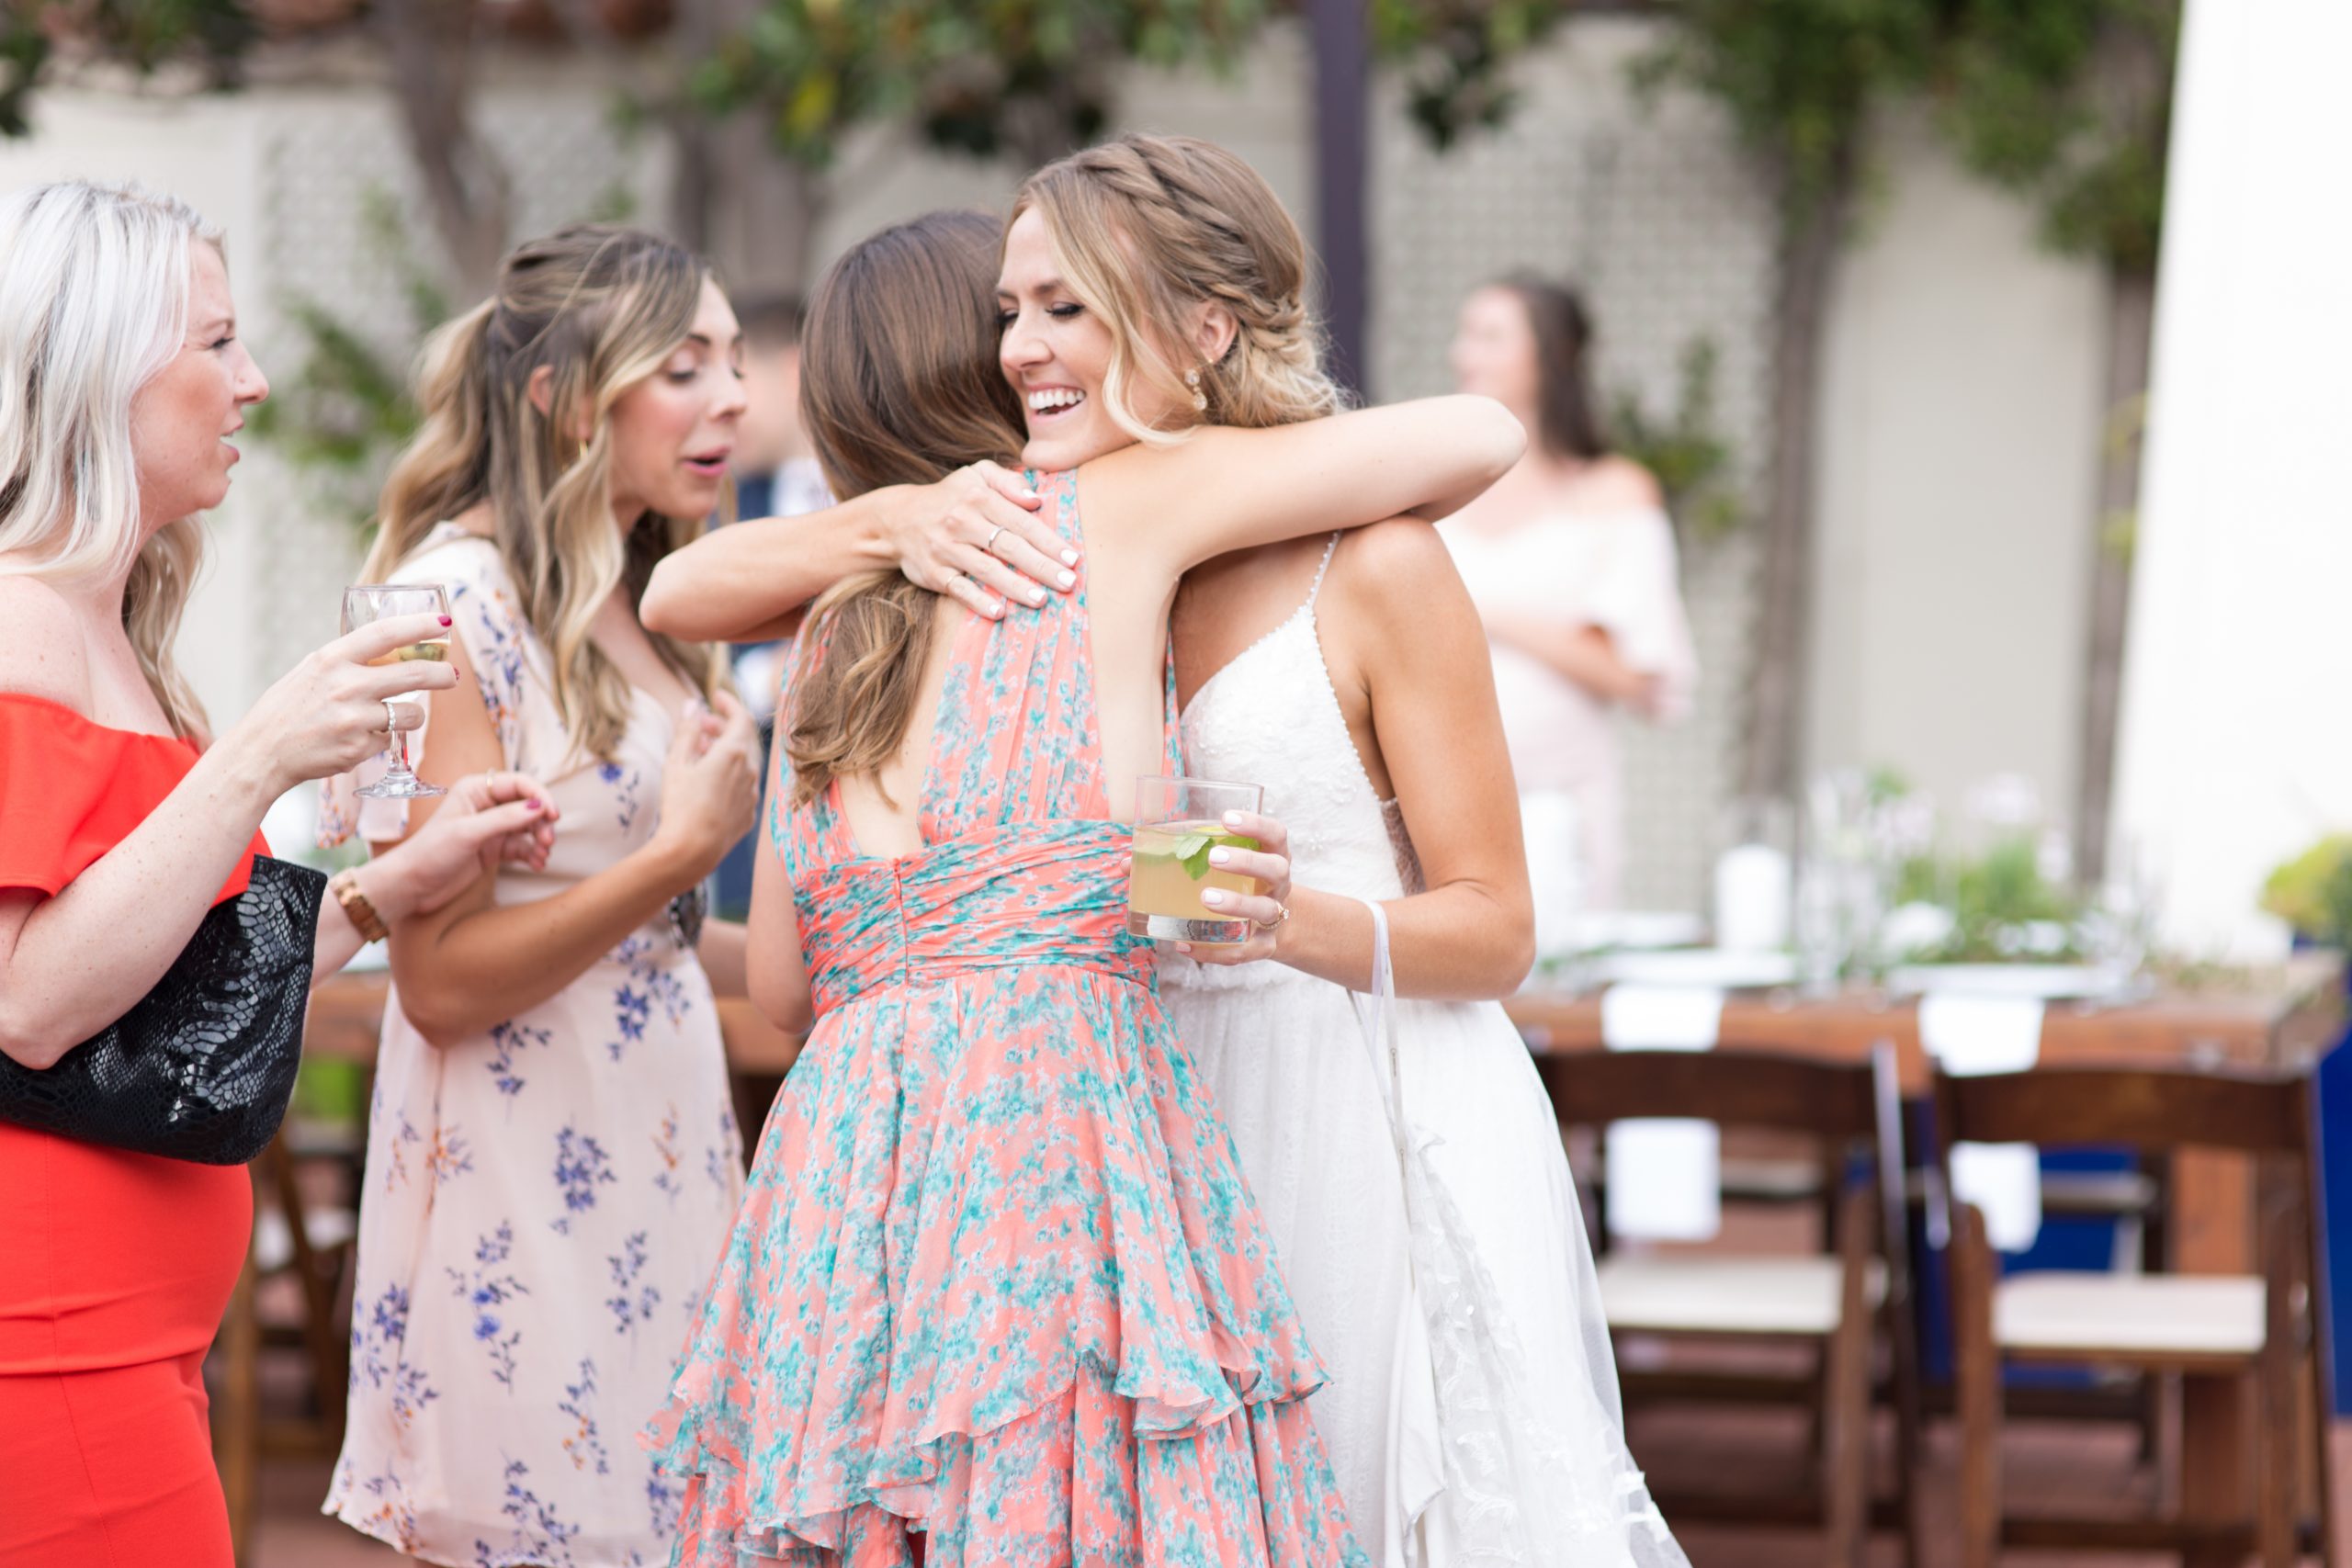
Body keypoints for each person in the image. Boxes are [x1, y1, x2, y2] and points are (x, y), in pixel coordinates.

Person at [642, 208, 1523, 1566]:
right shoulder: (1096, 519)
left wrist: (871, 526)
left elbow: (778, 992)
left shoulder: (825, 630)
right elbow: (1476, 437)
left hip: (846, 1165)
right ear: (980, 373)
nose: (1033, 342)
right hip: (1050, 1132)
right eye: (1012, 318)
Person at [1019, 138, 1683, 1568]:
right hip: (1144, 1123)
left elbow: (1498, 927)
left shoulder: (1376, 563)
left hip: (1367, 1106)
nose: (1023, 347)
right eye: (1010, 310)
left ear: (1206, 325)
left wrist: (1289, 919)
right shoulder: (1057, 571)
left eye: (1067, 307)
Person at [0, 179, 559, 1568]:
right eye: (215, 344)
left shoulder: (106, 631)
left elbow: (181, 1015)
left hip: (128, 1341)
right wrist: (252, 760)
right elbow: (28, 1005)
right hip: (48, 1343)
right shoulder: (22, 623)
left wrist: (388, 892)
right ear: (101, 366)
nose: (251, 382)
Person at [316, 224, 761, 1567]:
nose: (733, 397)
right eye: (685, 366)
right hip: (522, 1177)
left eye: (734, 362)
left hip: (658, 1138)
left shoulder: (637, 595)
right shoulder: (440, 613)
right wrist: (676, 859)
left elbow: (649, 941)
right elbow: (439, 980)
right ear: (563, 397)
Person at [1442, 275, 1697, 928]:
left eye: (1491, 336)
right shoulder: (1437, 486)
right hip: (1439, 803)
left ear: (1550, 354)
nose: (1464, 354)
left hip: (1557, 810)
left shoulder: (1615, 492)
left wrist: (1485, 612)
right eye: (1466, 334)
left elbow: (1637, 673)